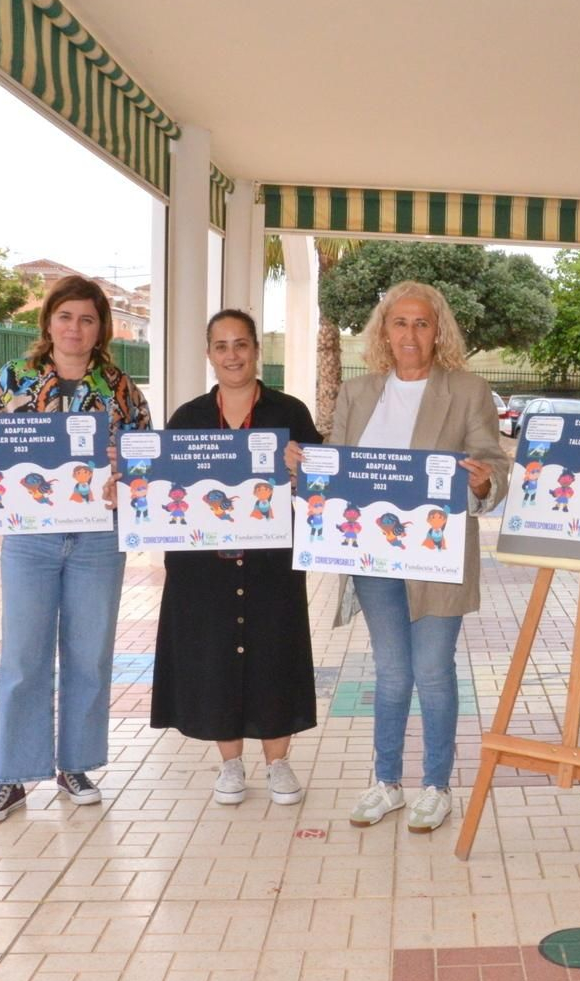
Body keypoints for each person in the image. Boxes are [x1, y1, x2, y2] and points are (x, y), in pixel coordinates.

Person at [0, 275, 152, 824]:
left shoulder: (122, 389)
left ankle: (76, 765)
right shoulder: (13, 379)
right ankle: (13, 776)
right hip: (30, 538)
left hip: (99, 539)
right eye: (66, 316)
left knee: (89, 654)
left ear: (102, 330)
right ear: (48, 322)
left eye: (87, 319)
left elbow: (146, 459)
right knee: (23, 657)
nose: (75, 328)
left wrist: (129, 477)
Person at [295, 281, 508, 833]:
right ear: (383, 331)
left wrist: (485, 481)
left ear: (439, 331)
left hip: (438, 559)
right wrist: (306, 470)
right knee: (390, 672)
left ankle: (436, 786)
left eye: (421, 323)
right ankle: (386, 781)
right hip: (373, 561)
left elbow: (493, 465)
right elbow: (336, 471)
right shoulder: (358, 393)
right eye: (399, 323)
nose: (410, 334)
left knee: (433, 671)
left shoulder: (467, 390)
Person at [150, 310, 321, 806]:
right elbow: (166, 487)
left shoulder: (289, 413)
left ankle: (279, 764)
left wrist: (300, 473)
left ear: (255, 351)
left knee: (274, 655)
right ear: (209, 355)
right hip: (206, 568)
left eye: (241, 344)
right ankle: (229, 765)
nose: (232, 355)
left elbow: (321, 487)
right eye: (221, 346)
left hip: (272, 564)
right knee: (217, 658)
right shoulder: (188, 419)